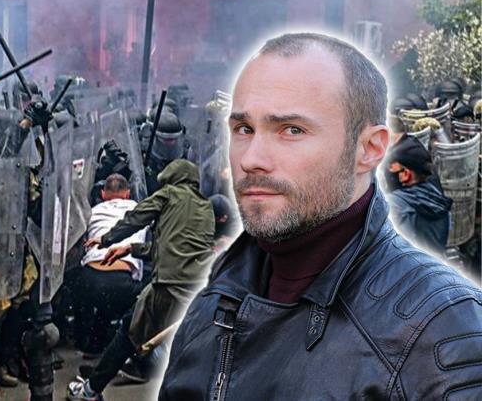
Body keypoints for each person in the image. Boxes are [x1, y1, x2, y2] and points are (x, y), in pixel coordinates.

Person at [159, 32, 482, 400]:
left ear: (369, 148)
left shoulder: (441, 329)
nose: (251, 159)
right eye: (244, 129)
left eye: (291, 130)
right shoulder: (214, 303)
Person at [67, 159, 215, 401]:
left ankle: (90, 391)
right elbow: (172, 249)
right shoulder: (205, 206)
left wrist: (106, 239)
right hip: (198, 291)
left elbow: (136, 218)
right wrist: (131, 249)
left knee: (128, 332)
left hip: (167, 286)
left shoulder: (168, 194)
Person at [74, 174, 146, 356]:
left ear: (103, 194)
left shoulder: (92, 212)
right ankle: (130, 351)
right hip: (121, 281)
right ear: (127, 193)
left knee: (91, 297)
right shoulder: (139, 210)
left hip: (90, 277)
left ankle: (87, 344)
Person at [385, 137, 452, 257]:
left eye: (391, 168)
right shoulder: (434, 186)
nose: (388, 171)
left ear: (406, 174)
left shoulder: (396, 206)